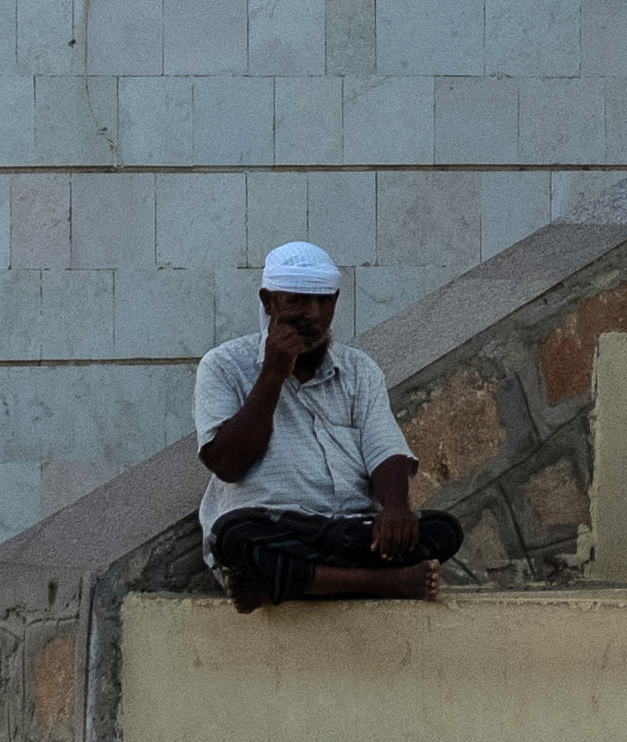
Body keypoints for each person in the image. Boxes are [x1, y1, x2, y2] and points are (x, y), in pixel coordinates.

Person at [193, 240, 458, 605]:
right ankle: (386, 583)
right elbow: (227, 464)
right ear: (269, 302)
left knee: (443, 530)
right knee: (234, 536)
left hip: (350, 529)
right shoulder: (223, 365)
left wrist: (396, 508)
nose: (314, 315)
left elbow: (385, 447)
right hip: (275, 524)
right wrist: (273, 372)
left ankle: (279, 583)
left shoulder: (359, 369)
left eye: (325, 301)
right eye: (300, 300)